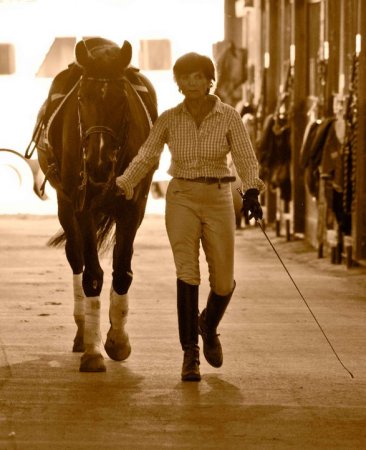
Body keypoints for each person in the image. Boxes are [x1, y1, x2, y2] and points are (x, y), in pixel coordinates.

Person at [116, 52, 264, 381]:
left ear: (210, 80)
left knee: (223, 281)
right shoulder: (169, 119)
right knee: (187, 271)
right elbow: (147, 154)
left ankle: (208, 326)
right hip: (181, 195)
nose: (192, 83)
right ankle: (190, 355)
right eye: (185, 77)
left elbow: (244, 156)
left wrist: (251, 190)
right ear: (178, 83)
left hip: (218, 197)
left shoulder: (229, 117)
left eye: (199, 76)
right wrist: (124, 183)